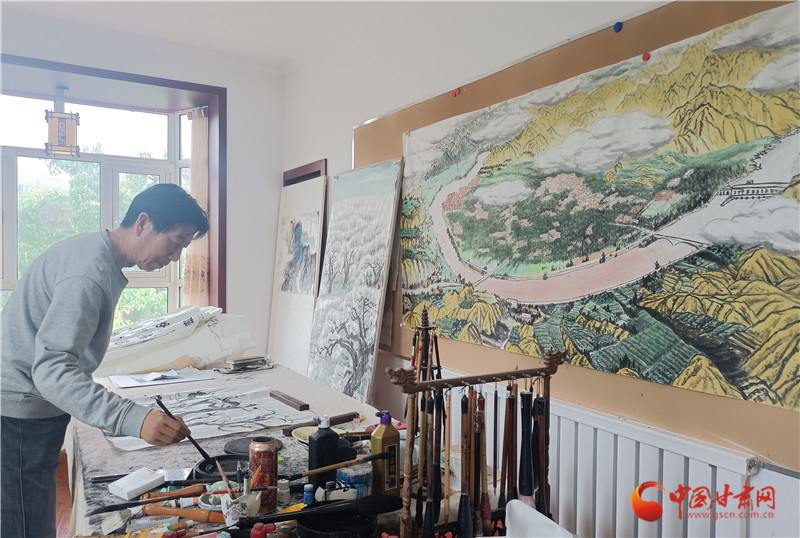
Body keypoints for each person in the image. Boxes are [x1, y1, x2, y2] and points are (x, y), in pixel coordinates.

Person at [1, 183, 210, 537]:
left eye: (184, 247)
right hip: (19, 411)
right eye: (175, 241)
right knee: (25, 526)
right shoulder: (89, 274)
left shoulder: (94, 254)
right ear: (143, 222)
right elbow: (51, 371)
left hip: (26, 403)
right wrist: (132, 418)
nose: (176, 257)